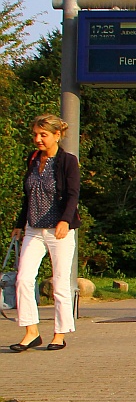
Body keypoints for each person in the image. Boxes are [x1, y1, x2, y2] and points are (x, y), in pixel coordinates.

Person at [10, 114, 80, 352]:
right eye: (36, 135)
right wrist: (19, 224)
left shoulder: (67, 162)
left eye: (43, 135)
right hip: (33, 229)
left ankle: (60, 333)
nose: (38, 139)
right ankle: (31, 331)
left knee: (60, 282)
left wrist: (65, 221)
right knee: (23, 279)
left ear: (57, 135)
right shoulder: (32, 159)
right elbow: (28, 195)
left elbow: (72, 195)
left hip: (59, 230)